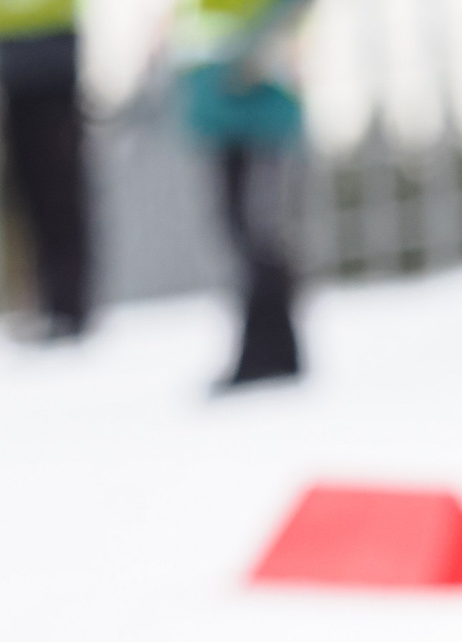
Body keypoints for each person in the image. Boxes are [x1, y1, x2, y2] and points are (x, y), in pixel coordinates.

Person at [170, 0, 311, 388]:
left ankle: (273, 352)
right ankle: (262, 349)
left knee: (259, 229)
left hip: (259, 105)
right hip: (219, 109)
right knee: (237, 230)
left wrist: (254, 54)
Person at [0, 0, 93, 339]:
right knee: (28, 193)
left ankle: (70, 305)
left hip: (52, 54)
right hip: (7, 61)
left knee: (60, 188)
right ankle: (47, 302)